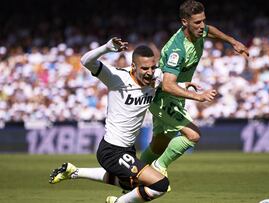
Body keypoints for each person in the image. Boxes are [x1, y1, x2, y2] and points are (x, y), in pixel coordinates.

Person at [49, 38, 170, 203]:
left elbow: (170, 83)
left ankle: (73, 171)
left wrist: (188, 88)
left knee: (131, 186)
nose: (150, 72)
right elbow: (86, 61)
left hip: (128, 149)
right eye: (144, 68)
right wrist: (106, 48)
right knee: (160, 185)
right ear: (134, 67)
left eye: (152, 67)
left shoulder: (154, 77)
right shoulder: (117, 77)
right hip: (111, 151)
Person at [140, 0, 249, 177]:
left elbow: (210, 30)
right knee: (193, 135)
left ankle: (129, 179)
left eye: (203, 20)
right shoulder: (178, 49)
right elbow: (167, 85)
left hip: (172, 97)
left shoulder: (199, 31)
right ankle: (159, 168)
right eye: (197, 22)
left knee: (159, 144)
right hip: (162, 98)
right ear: (185, 22)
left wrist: (232, 41)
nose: (202, 26)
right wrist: (197, 97)